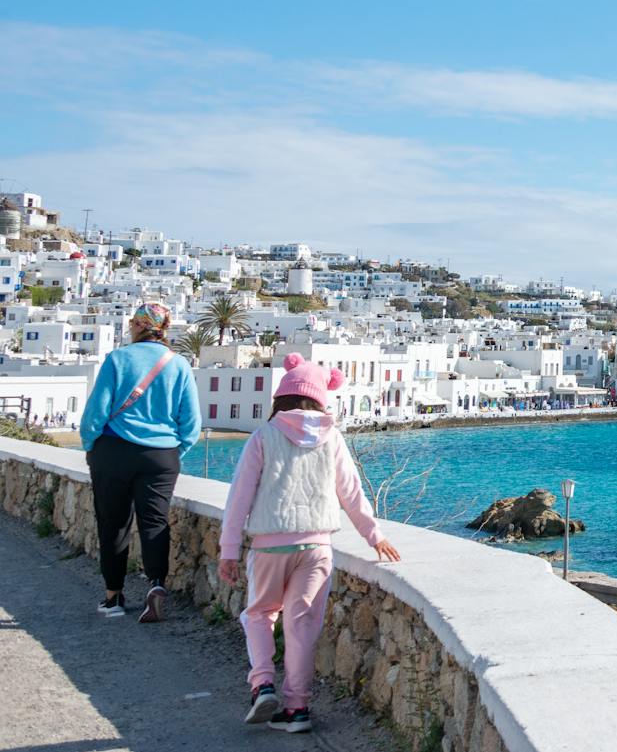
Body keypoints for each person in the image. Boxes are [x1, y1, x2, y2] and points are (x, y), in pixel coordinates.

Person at [218, 354, 401, 733]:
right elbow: (351, 492)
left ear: (281, 396)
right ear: (321, 398)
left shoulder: (263, 437)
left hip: (270, 545)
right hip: (317, 547)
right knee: (302, 626)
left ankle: (262, 683)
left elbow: (239, 498)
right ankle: (297, 709)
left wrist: (229, 551)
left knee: (259, 614)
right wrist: (374, 535)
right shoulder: (331, 437)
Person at [78, 302, 202, 623]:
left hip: (114, 451)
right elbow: (191, 424)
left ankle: (113, 596)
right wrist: (174, 453)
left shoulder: (118, 359)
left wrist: (91, 446)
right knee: (155, 522)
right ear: (165, 328)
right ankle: (156, 584)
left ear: (136, 326)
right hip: (160, 456)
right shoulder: (179, 365)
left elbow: (96, 412)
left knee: (113, 524)